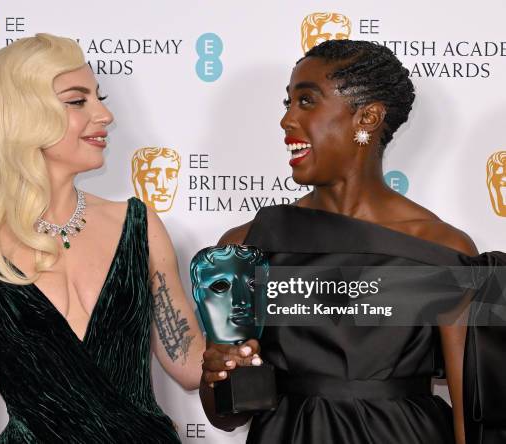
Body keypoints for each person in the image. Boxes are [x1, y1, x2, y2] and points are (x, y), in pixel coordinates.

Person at [200, 39, 489, 444]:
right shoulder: (246, 245)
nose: (286, 120)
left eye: (306, 101)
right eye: (287, 103)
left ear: (367, 117)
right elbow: (227, 419)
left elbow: (471, 420)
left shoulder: (443, 248)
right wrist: (218, 375)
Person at [0, 33, 204, 443]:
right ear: (20, 115)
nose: (105, 115)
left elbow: (190, 367)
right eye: (78, 100)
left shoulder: (138, 226)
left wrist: (261, 330)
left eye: (99, 97)